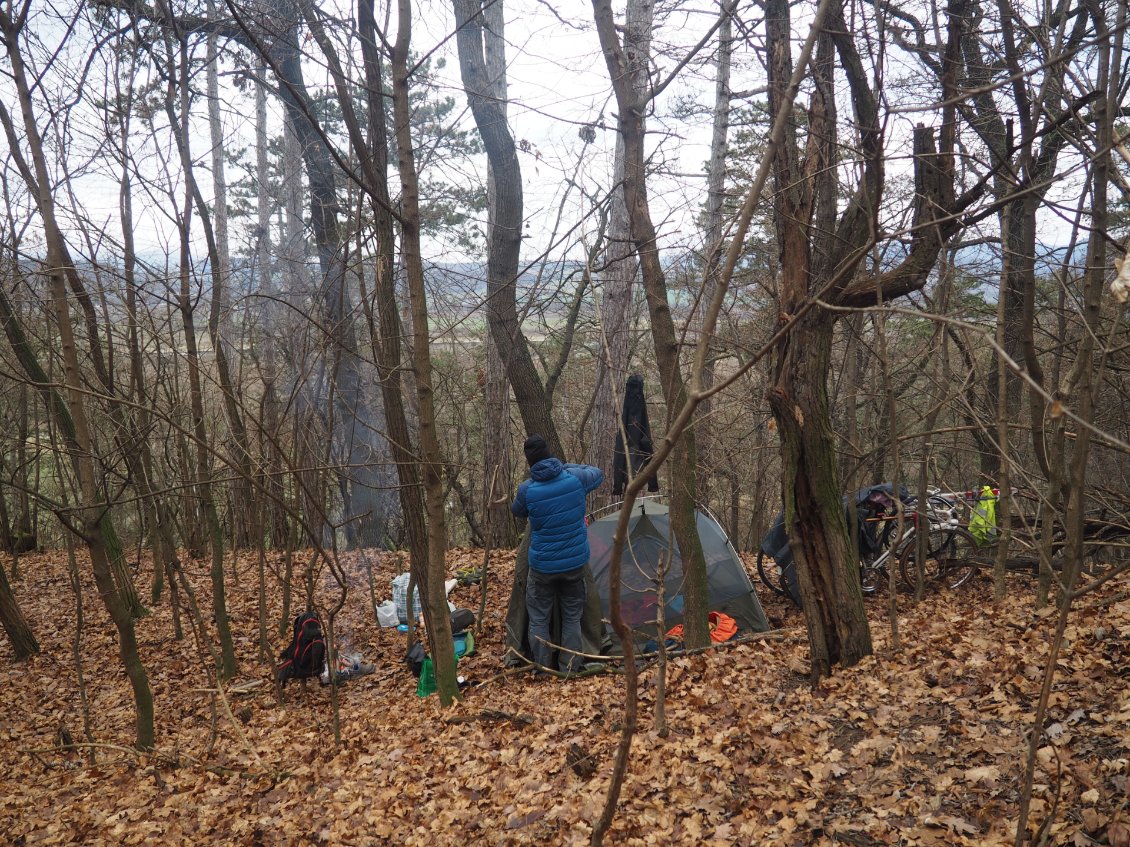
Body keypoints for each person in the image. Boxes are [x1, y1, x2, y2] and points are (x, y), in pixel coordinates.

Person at [510, 435, 603, 674]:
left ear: (529, 462)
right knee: (572, 617)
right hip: (574, 564)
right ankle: (569, 667)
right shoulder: (574, 478)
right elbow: (597, 472)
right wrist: (566, 466)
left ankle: (543, 669)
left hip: (542, 567)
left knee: (538, 618)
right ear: (550, 453)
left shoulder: (527, 489)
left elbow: (517, 511)